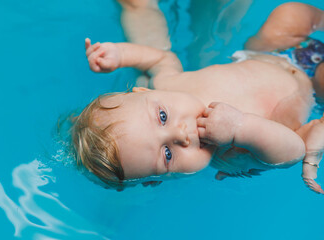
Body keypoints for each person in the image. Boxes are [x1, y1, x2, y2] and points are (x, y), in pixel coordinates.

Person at [72, 2, 324, 193]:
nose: (181, 135)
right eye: (167, 154)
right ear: (157, 179)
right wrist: (240, 127)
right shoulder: (230, 155)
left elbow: (162, 59)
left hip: (268, 53)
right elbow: (292, 151)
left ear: (147, 91)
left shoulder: (168, 83)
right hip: (312, 89)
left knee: (290, 13)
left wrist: (120, 54)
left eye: (162, 117)